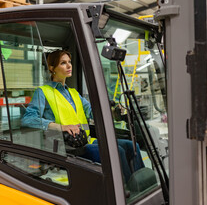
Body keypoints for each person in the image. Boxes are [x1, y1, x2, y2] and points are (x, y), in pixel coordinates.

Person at [22, 50, 144, 182]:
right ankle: (126, 190)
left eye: (69, 62)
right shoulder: (43, 92)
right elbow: (28, 119)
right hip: (68, 147)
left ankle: (142, 185)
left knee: (132, 145)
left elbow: (92, 112)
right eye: (63, 63)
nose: (69, 66)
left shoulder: (74, 93)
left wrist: (114, 112)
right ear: (52, 68)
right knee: (117, 151)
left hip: (85, 141)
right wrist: (61, 127)